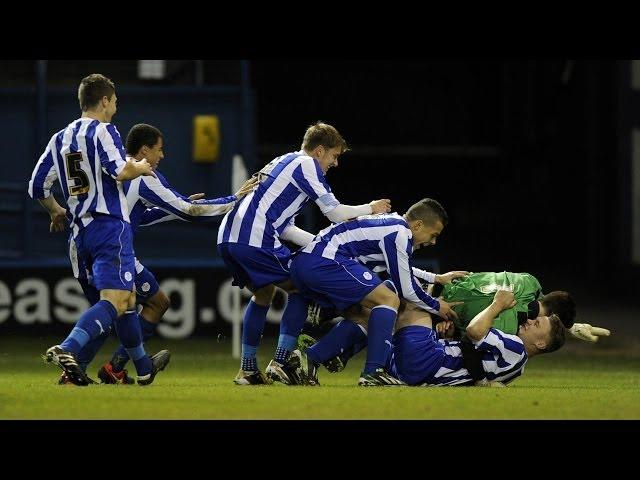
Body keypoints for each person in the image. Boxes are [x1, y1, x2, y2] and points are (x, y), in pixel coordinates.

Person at [58, 123, 256, 385]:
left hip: (84, 243)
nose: (161, 156)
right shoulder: (143, 176)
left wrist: (183, 205)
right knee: (121, 306)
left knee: (131, 305)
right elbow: (188, 210)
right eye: (159, 150)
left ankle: (112, 367)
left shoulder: (118, 168)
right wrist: (232, 200)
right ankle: (84, 361)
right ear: (144, 150)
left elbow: (140, 216)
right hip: (113, 248)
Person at [216, 121, 392, 385]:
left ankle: (248, 370)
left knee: (263, 294)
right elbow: (334, 213)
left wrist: (322, 246)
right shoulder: (306, 165)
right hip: (254, 238)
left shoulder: (284, 161)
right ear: (319, 151)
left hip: (229, 237)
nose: (335, 164)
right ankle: (280, 361)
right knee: (303, 287)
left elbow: (285, 228)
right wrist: (370, 207)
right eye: (334, 156)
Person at [27, 74, 170, 386]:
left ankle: (144, 369)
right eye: (115, 102)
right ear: (104, 101)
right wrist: (143, 167)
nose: (116, 108)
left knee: (126, 303)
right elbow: (120, 170)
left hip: (79, 235)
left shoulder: (59, 138)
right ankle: (68, 350)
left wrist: (56, 210)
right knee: (116, 301)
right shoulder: (104, 130)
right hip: (109, 227)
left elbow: (37, 186)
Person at [288, 198, 464, 386]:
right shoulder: (400, 233)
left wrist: (435, 278)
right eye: (433, 234)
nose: (434, 241)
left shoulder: (394, 226)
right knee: (389, 300)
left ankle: (310, 358)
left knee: (371, 314)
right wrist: (437, 306)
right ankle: (373, 372)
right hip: (325, 263)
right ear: (419, 225)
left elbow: (400, 267)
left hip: (314, 262)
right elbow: (407, 288)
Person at [295, 288, 566, 386]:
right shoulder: (515, 362)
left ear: (540, 343)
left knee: (414, 303)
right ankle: (315, 358)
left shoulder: (517, 348)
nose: (530, 320)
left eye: (537, 323)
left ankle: (326, 319)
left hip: (424, 362)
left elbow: (474, 331)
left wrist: (496, 304)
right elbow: (471, 349)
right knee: (380, 314)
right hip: (419, 368)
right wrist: (442, 337)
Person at [438, 271, 610, 342]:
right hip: (436, 313)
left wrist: (569, 326)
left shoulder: (529, 281)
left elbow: (542, 302)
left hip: (442, 283)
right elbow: (473, 333)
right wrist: (455, 332)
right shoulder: (511, 320)